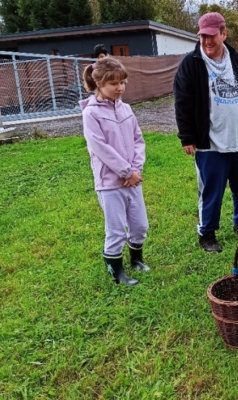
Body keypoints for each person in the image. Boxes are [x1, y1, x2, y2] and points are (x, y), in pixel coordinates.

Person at [173, 12, 238, 253]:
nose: (207, 42)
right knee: (211, 190)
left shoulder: (237, 59)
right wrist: (187, 136)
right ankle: (207, 233)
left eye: (212, 36)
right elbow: (182, 102)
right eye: (203, 36)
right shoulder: (191, 63)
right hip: (210, 143)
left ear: (224, 33)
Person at [80, 57, 150, 286]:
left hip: (133, 180)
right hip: (110, 183)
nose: (120, 88)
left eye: (123, 82)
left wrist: (135, 170)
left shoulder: (126, 109)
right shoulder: (91, 114)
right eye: (114, 84)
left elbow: (138, 140)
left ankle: (136, 259)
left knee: (140, 226)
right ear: (99, 83)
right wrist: (125, 171)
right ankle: (116, 272)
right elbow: (101, 148)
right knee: (116, 229)